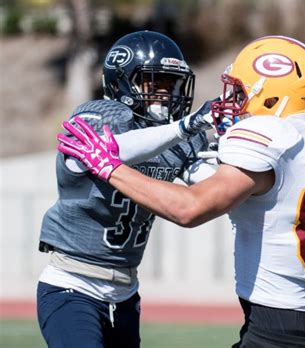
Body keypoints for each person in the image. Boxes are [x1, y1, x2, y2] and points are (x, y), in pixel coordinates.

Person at [57, 35, 305, 347]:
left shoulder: (266, 139)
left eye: (242, 90)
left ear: (272, 94)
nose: (235, 101)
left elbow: (189, 209)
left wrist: (109, 166)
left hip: (277, 332)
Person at [37, 30, 217, 348]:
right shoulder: (98, 116)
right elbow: (112, 150)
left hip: (126, 295)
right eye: (155, 81)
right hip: (72, 285)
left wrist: (239, 146)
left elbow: (212, 185)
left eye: (171, 83)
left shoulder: (175, 137)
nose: (166, 92)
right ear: (123, 81)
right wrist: (185, 127)